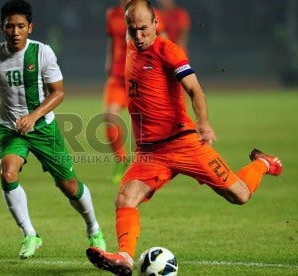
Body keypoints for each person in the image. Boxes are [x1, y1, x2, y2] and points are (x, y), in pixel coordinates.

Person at [86, 1, 283, 275]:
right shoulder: (130, 42)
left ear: (156, 24)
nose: (139, 36)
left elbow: (194, 89)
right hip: (150, 152)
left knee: (239, 195)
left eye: (144, 29)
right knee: (125, 199)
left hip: (184, 142)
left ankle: (263, 163)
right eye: (133, 30)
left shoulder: (168, 51)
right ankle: (124, 258)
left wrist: (203, 124)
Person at [0, 0, 106, 259]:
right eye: (10, 26)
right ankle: (30, 233)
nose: (15, 32)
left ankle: (94, 228)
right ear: (2, 28)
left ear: (30, 27)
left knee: (69, 186)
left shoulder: (42, 52)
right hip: (9, 130)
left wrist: (34, 116)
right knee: (7, 172)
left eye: (21, 26)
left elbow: (58, 92)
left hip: (43, 129)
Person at [104, 0, 165, 184]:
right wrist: (108, 62)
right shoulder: (112, 15)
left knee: (145, 122)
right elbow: (112, 41)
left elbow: (162, 39)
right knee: (109, 117)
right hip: (117, 76)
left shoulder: (148, 13)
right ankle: (121, 160)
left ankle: (151, 164)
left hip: (139, 75)